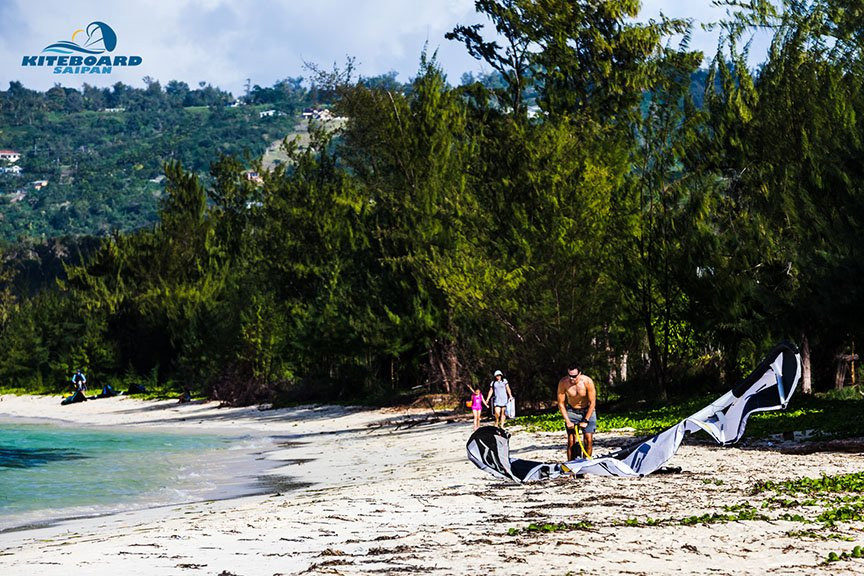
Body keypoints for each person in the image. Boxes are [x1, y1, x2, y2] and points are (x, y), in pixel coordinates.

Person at [557, 363, 597, 460]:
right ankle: (571, 466)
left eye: (574, 376)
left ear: (580, 374)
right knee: (571, 440)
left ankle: (586, 463)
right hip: (572, 411)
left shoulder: (587, 381)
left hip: (587, 410)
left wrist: (586, 420)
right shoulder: (563, 382)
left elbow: (592, 403)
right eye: (570, 376)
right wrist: (567, 421)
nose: (572, 379)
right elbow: (561, 403)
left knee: (588, 440)